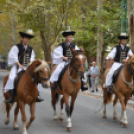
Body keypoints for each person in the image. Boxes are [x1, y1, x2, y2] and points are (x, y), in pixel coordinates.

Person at [4, 29, 44, 103]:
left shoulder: (30, 48)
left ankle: (37, 95)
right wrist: (19, 65)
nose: (26, 40)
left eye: (27, 39)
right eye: (25, 38)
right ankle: (11, 97)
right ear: (22, 38)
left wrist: (31, 63)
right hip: (18, 66)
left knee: (37, 77)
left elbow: (32, 58)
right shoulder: (16, 47)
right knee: (12, 78)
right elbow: (13, 57)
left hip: (27, 67)